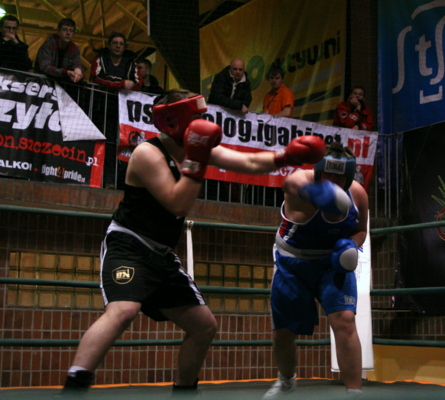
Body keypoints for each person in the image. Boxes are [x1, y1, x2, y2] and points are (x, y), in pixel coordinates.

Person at [61, 89, 326, 396]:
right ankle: (75, 385)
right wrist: (197, 160)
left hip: (161, 255)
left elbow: (251, 162)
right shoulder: (147, 154)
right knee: (124, 310)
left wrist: (288, 156)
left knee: (203, 326)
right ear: (175, 120)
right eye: (197, 116)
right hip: (129, 245)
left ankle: (184, 392)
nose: (203, 121)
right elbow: (178, 203)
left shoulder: (195, 148)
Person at [263, 142, 368, 399]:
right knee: (284, 331)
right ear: (318, 171)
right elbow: (291, 183)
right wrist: (317, 193)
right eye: (327, 174)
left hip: (332, 264)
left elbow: (360, 230)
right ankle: (286, 381)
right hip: (293, 262)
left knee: (345, 321)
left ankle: (354, 393)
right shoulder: (300, 182)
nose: (332, 181)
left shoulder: (358, 194)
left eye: (339, 177)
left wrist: (351, 246)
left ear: (349, 177)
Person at [90, 32, 142, 189]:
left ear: (124, 47)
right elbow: (96, 78)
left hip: (122, 113)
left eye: (121, 43)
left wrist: (114, 82)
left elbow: (137, 85)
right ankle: (95, 179)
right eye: (115, 43)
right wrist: (120, 84)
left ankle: (112, 181)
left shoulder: (131, 63)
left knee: (117, 145)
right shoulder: (100, 59)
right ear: (109, 45)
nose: (118, 46)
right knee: (99, 142)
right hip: (101, 108)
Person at [34, 18, 83, 84]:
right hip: (42, 83)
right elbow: (45, 67)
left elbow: (76, 64)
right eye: (64, 29)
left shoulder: (75, 49)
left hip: (61, 85)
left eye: (71, 30)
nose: (68, 33)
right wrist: (66, 72)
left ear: (73, 34)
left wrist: (77, 70)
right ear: (58, 32)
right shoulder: (48, 45)